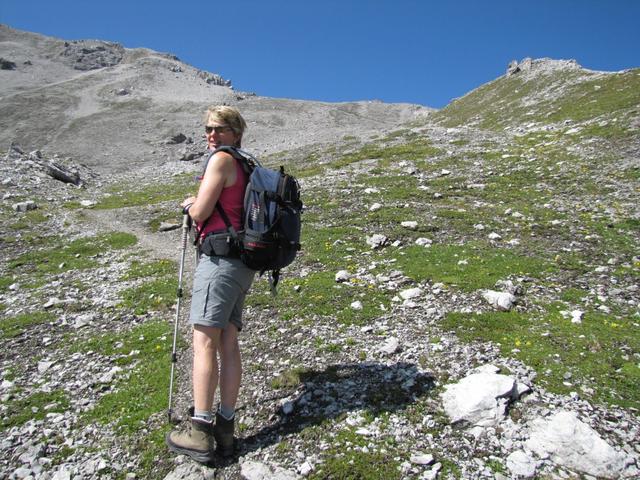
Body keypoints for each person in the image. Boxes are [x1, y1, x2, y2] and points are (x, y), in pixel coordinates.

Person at [166, 106, 255, 463]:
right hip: (242, 263)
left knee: (204, 340)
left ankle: (200, 431)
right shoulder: (248, 165)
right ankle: (225, 425)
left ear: (235, 132)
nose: (212, 135)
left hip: (218, 260)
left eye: (219, 129)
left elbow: (201, 212)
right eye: (208, 129)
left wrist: (190, 202)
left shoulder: (221, 160)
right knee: (228, 342)